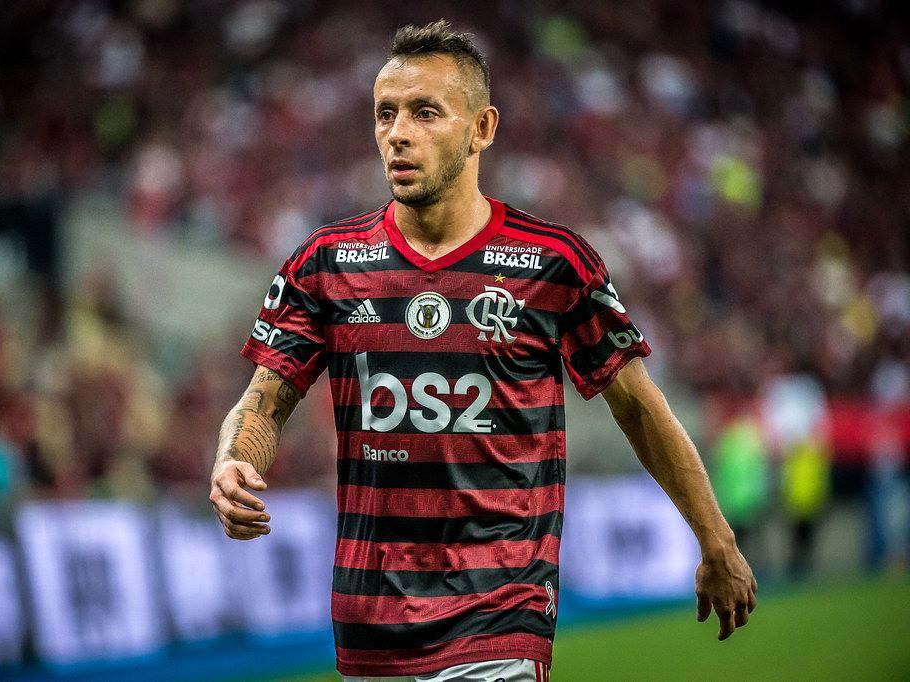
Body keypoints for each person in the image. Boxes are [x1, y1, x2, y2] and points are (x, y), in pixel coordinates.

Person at [209, 20, 757, 681]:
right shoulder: (325, 263)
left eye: (425, 113)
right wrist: (234, 460)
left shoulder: (553, 263)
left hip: (500, 618)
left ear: (482, 129)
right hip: (370, 626)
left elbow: (638, 407)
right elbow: (263, 404)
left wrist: (716, 538)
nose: (398, 133)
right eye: (385, 113)